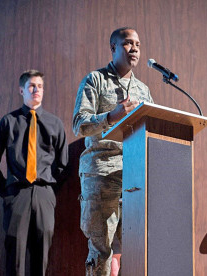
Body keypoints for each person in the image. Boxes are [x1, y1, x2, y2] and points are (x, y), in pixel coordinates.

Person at [72, 27, 154, 275]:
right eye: (128, 43)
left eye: (138, 44)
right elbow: (79, 123)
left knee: (135, 248)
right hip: (101, 174)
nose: (135, 48)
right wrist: (111, 117)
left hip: (134, 176)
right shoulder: (95, 80)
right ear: (113, 48)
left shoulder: (144, 90)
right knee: (101, 250)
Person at [0, 70, 68, 276]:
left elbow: (63, 165)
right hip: (16, 193)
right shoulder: (8, 121)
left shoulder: (55, 123)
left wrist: (49, 192)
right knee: (15, 253)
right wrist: (6, 191)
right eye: (31, 86)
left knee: (42, 254)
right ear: (21, 90)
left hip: (44, 193)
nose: (36, 89)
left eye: (40, 86)